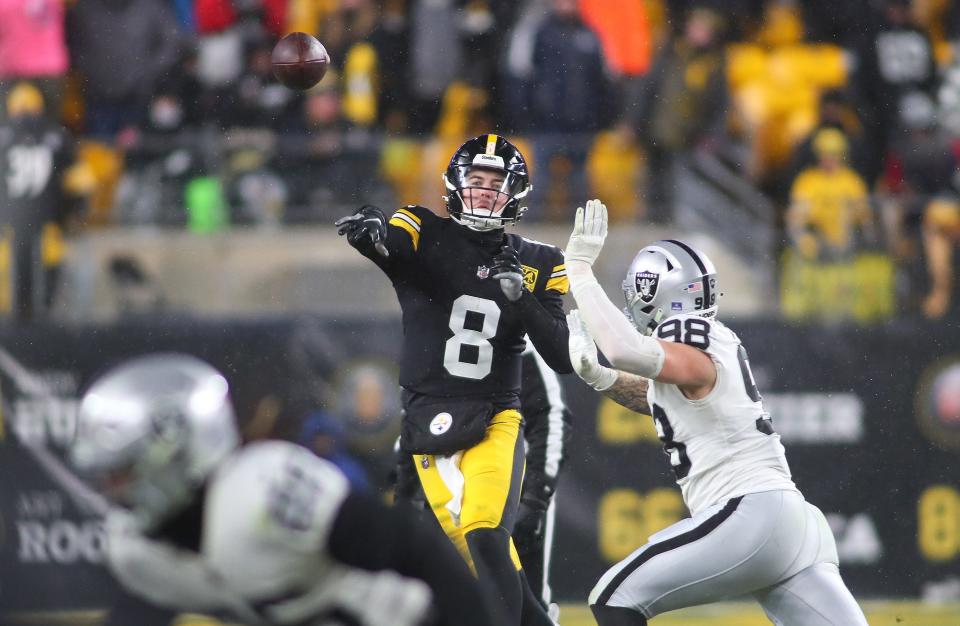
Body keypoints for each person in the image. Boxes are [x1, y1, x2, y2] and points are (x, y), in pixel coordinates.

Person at [562, 200, 869, 626]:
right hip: (793, 524)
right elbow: (656, 392)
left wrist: (578, 270)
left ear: (653, 293)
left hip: (747, 514)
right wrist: (601, 378)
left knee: (614, 596)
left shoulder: (689, 333)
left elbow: (622, 349)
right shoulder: (707, 343)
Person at [69, 353, 501, 626]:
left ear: (174, 452)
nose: (114, 490)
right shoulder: (136, 549)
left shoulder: (260, 492)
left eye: (123, 473)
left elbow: (415, 546)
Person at [336, 133, 572, 625]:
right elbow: (390, 243)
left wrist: (520, 296)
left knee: (487, 534)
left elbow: (561, 357)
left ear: (516, 194)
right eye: (477, 179)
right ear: (455, 184)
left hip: (496, 419)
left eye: (497, 182)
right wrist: (372, 233)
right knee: (485, 559)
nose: (485, 190)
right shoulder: (423, 227)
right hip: (429, 424)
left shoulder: (540, 260)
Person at [393, 343, 573, 620]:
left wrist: (535, 499)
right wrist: (407, 500)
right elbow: (413, 423)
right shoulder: (427, 331)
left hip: (506, 485)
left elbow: (551, 417)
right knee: (451, 605)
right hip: (442, 486)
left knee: (522, 602)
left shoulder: (510, 332)